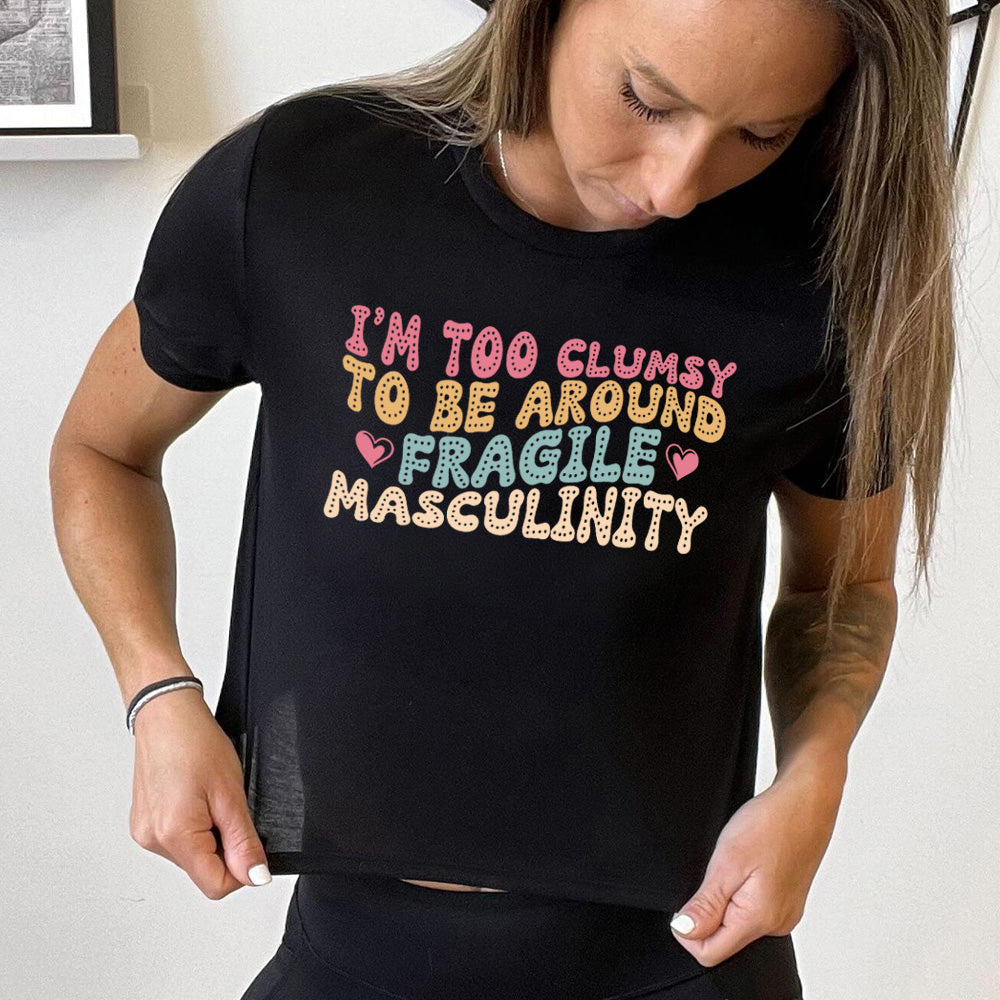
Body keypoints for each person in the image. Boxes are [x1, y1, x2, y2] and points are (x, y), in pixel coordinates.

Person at [49, 0, 957, 997]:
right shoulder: (304, 185)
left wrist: (815, 773)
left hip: (683, 958)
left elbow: (842, 584)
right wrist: (156, 693)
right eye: (646, 99)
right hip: (348, 957)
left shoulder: (818, 270)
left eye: (760, 134)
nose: (676, 185)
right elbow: (103, 451)